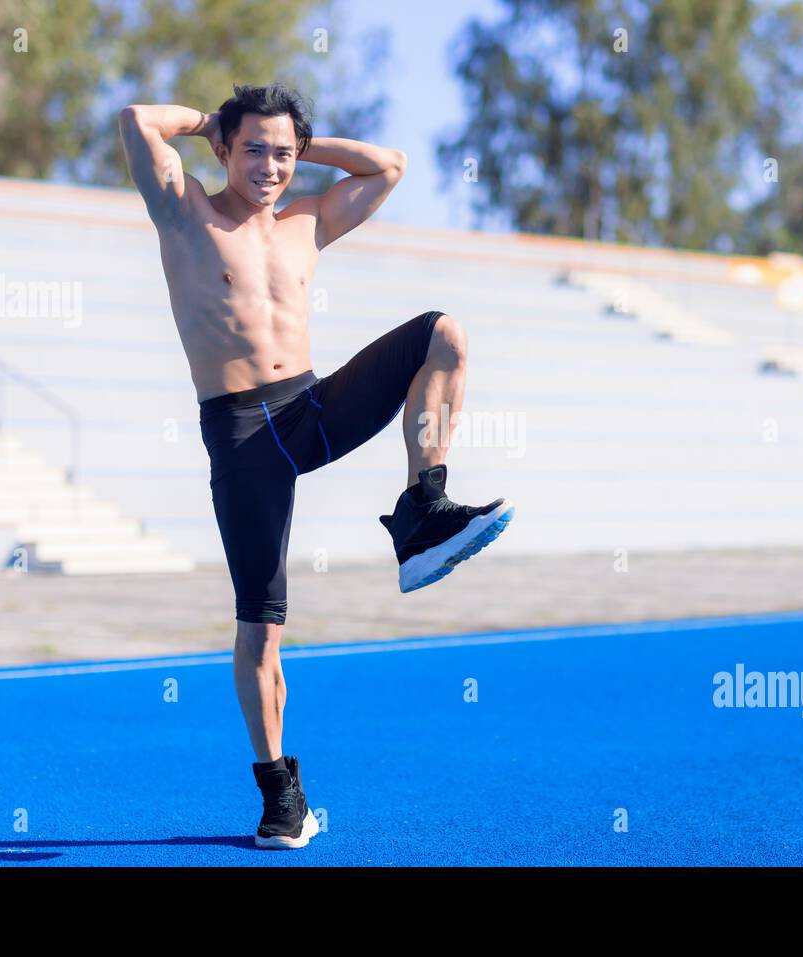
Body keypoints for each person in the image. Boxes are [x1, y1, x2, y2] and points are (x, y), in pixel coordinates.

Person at [118, 82, 514, 849]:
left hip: (310, 410)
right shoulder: (185, 210)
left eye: (282, 153)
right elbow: (136, 121)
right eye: (253, 150)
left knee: (445, 335)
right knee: (261, 629)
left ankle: (423, 511)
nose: (269, 166)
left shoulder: (308, 222)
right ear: (225, 151)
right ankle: (279, 797)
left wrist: (300, 142)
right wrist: (210, 123)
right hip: (240, 435)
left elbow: (389, 166)